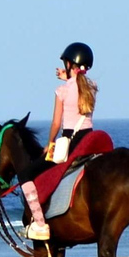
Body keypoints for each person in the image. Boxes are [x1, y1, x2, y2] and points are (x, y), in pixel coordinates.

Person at [18, 42, 98, 240]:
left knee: (27, 174)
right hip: (88, 139)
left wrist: (50, 142)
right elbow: (79, 83)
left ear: (70, 64)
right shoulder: (93, 87)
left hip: (70, 142)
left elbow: (56, 123)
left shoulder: (61, 91)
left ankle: (39, 224)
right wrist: (68, 77)